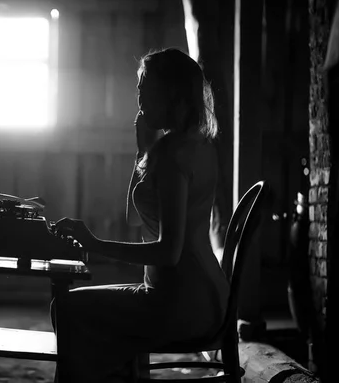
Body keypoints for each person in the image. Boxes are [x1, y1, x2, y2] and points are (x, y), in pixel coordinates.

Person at [50, 47, 229, 383]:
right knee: (79, 312)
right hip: (209, 299)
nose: (139, 97)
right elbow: (136, 218)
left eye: (145, 86)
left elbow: (168, 252)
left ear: (170, 93)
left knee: (67, 308)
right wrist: (142, 152)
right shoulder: (198, 145)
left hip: (180, 305)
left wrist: (93, 242)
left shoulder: (172, 155)